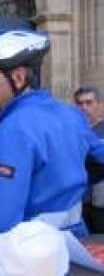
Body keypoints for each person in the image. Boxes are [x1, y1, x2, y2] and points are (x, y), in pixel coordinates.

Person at [0, 28, 104, 237]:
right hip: (75, 243)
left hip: (31, 252)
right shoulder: (70, 114)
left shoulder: (13, 128)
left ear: (18, 77)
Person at [74, 85, 104, 233]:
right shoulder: (73, 131)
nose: (84, 107)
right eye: (80, 103)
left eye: (89, 102)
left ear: (100, 104)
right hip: (78, 201)